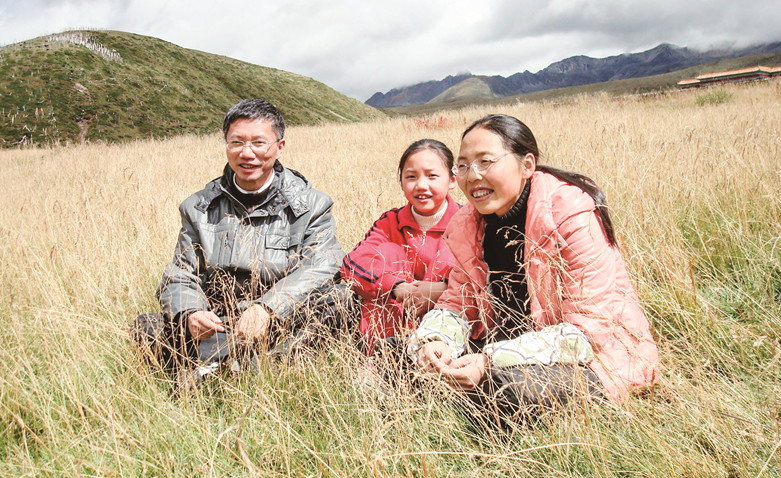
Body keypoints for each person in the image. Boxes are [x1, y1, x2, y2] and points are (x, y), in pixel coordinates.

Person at [407, 114, 659, 423]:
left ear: (527, 165)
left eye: (485, 162)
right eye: (463, 165)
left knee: (504, 388)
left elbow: (589, 332)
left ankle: (464, 413)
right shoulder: (467, 223)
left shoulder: (571, 214)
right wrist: (436, 342)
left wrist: (489, 360)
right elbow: (457, 302)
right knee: (399, 353)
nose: (472, 176)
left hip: (592, 357)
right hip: (504, 345)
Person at [135, 98, 348, 387]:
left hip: (282, 320)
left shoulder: (312, 205)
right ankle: (233, 365)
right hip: (220, 322)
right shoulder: (198, 208)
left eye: (259, 143)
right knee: (147, 326)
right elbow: (181, 274)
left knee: (341, 299)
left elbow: (322, 265)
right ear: (226, 145)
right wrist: (191, 313)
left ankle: (245, 367)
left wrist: (267, 308)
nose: (247, 153)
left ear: (279, 147)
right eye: (236, 143)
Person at [342, 139, 460, 352]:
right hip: (391, 325)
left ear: (452, 179)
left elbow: (485, 280)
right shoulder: (390, 223)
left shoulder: (467, 222)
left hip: (446, 322)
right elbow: (352, 264)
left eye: (432, 176)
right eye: (411, 177)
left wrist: (441, 289)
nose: (421, 185)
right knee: (387, 253)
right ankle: (381, 355)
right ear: (401, 182)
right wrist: (397, 287)